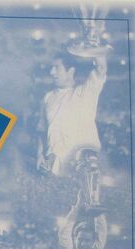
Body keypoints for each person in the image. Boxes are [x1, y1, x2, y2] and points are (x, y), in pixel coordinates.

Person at [36, 50, 107, 178]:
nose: (52, 72)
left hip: (82, 168)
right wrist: (39, 154)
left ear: (71, 71)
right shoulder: (48, 97)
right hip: (54, 168)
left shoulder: (85, 92)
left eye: (56, 67)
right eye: (51, 68)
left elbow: (101, 68)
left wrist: (95, 46)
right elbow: (41, 129)